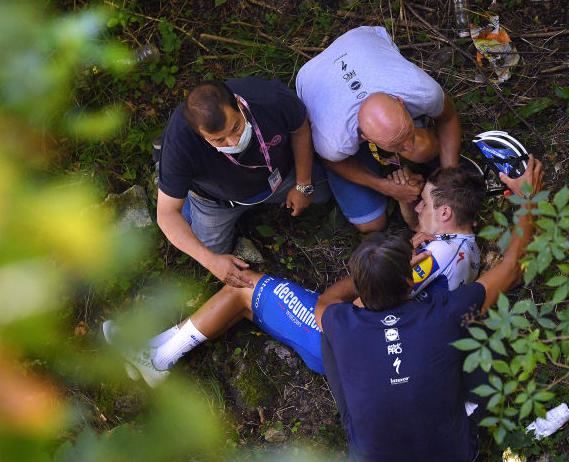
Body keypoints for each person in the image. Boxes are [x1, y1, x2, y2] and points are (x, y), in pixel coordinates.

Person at [103, 166, 486, 385]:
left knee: (247, 286)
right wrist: (411, 213)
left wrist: (329, 303)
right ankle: (156, 348)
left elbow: (368, 301)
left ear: (447, 213)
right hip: (391, 356)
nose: (418, 203)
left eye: (425, 199)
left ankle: (157, 361)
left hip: (353, 349)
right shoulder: (467, 250)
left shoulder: (430, 258)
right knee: (256, 303)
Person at [313, 156, 543, 461]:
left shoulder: (343, 322)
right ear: (412, 280)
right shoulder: (444, 312)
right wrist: (528, 196)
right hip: (452, 453)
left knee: (328, 337)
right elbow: (512, 267)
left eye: (423, 202)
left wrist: (368, 276)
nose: (419, 207)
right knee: (483, 327)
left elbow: (325, 304)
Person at [157, 78, 330, 288]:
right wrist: (211, 261)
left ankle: (172, 182)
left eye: (236, 127)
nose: (233, 142)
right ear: (200, 135)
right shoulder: (180, 142)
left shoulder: (269, 97)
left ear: (239, 103)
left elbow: (299, 128)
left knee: (322, 191)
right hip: (216, 201)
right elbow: (166, 215)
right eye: (218, 140)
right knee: (209, 250)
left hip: (279, 176)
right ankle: (172, 183)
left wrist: (303, 183)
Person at [295, 26, 463, 233]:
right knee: (371, 224)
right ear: (364, 137)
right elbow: (332, 162)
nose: (407, 145)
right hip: (311, 75)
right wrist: (385, 186)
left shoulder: (421, 90)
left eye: (406, 133)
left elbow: (448, 117)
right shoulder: (335, 141)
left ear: (400, 102)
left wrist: (449, 179)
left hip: (360, 38)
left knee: (422, 149)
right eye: (397, 144)